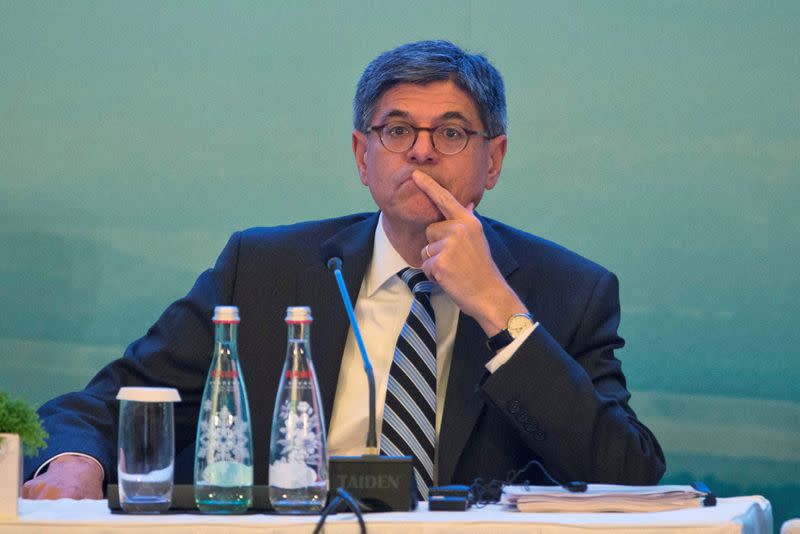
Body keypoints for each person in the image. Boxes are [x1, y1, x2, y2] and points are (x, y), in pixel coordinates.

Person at [23, 40, 665, 501]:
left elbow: (626, 473)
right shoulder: (266, 271)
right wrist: (79, 461)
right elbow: (105, 403)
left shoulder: (568, 291)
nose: (420, 151)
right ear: (363, 156)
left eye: (451, 133)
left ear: (492, 161)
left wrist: (499, 309)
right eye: (396, 130)